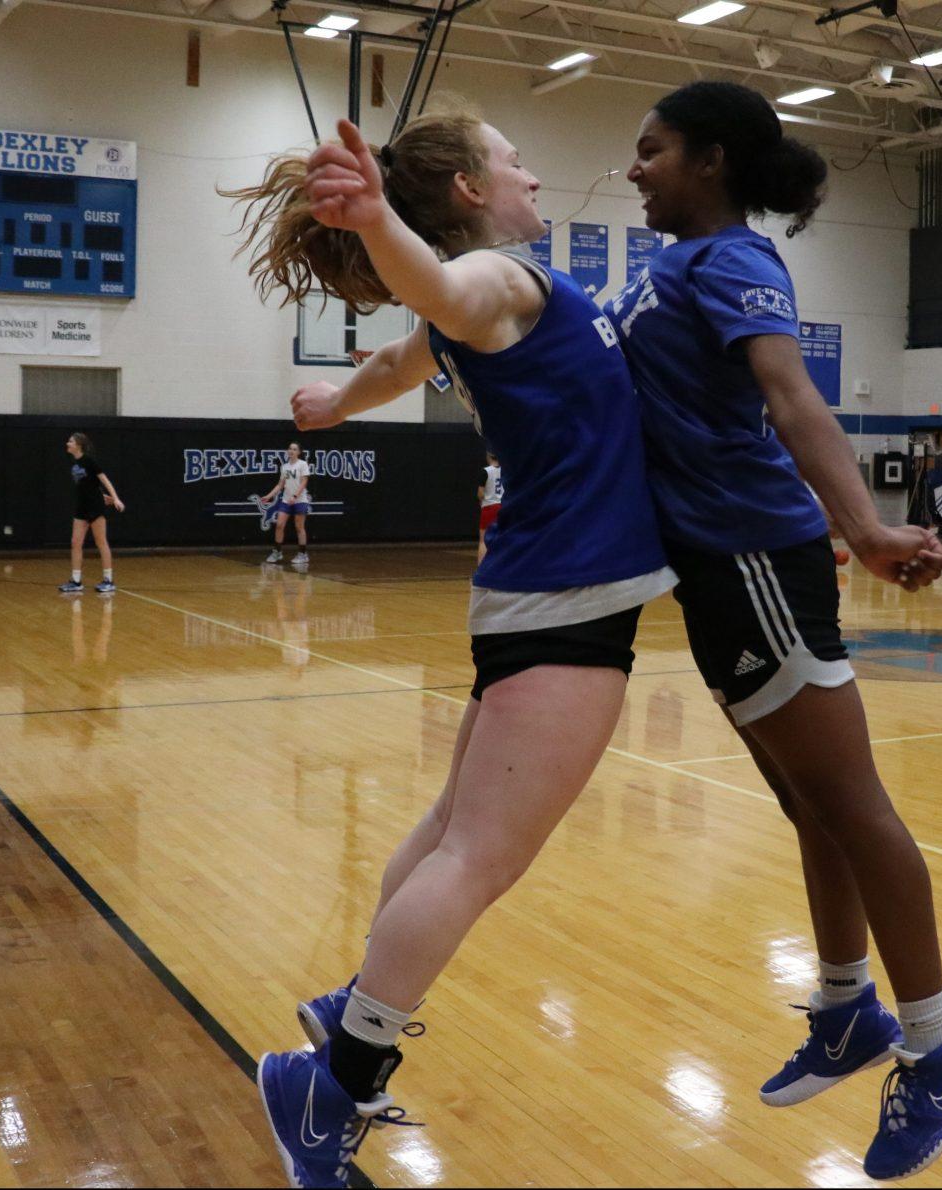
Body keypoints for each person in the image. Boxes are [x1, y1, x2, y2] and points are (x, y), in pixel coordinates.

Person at [225, 110, 675, 1188]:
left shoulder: (494, 290)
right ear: (472, 191)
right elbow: (435, 297)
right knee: (480, 857)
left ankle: (350, 1010)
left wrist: (339, 398)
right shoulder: (499, 279)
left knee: (448, 832)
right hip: (568, 593)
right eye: (513, 156)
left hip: (540, 589)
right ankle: (330, 1081)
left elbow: (401, 346)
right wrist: (378, 219)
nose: (530, 168)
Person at [607, 81, 942, 1181]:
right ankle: (846, 1011)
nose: (635, 169)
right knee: (808, 802)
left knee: (853, 804)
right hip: (712, 571)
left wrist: (868, 527)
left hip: (757, 560)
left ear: (713, 160)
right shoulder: (674, 266)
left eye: (654, 150)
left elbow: (792, 399)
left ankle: (940, 1045)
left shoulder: (733, 262)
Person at [59, 432, 125, 595]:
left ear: (79, 445)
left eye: (71, 441)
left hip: (95, 508)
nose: (67, 443)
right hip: (81, 507)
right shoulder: (74, 463)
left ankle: (108, 580)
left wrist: (115, 499)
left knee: (101, 542)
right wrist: (101, 495)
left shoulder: (89, 461)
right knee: (75, 543)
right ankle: (76, 581)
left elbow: (104, 480)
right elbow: (87, 486)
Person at [261, 441, 311, 566]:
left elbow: (304, 482)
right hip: (286, 500)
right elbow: (280, 485)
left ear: (299, 452)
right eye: (289, 448)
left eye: (294, 449)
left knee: (299, 527)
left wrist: (295, 496)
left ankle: (303, 554)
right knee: (279, 525)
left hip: (300, 500)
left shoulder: (302, 464)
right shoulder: (284, 467)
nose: (291, 451)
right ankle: (277, 552)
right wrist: (269, 496)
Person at [476, 450, 503, 564]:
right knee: (502, 539)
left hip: (489, 507)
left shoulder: (485, 471)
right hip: (503, 507)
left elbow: (480, 494)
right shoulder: (505, 471)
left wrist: (481, 500)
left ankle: (481, 569)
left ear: (488, 456)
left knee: (483, 541)